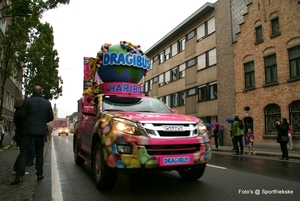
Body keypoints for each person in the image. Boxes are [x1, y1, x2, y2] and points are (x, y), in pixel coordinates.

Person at [11, 86, 54, 185]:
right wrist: (42, 121)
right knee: (39, 152)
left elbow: (22, 115)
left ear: (32, 92)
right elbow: (50, 117)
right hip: (40, 130)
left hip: (28, 130)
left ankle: (19, 176)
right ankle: (39, 173)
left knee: (24, 152)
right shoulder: (47, 103)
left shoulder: (27, 101)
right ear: (41, 92)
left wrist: (28, 121)